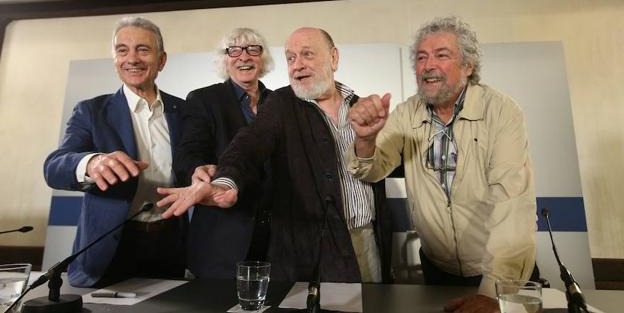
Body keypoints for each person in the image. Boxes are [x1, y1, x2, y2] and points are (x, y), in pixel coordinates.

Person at [158, 27, 392, 283]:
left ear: (334, 58)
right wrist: (224, 181)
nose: (297, 65)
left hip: (368, 239)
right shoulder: (282, 104)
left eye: (307, 54)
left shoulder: (361, 107)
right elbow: (247, 146)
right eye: (291, 58)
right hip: (314, 246)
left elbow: (378, 168)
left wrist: (368, 138)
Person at [347, 16, 536, 313]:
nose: (428, 65)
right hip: (438, 269)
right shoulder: (406, 112)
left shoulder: (501, 111)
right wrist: (366, 139)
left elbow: (511, 204)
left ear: (468, 66)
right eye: (421, 57)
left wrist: (494, 291)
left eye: (441, 55)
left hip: (495, 272)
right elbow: (372, 170)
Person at [44, 17, 186, 287]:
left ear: (162, 60)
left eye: (143, 50)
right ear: (115, 60)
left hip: (172, 246)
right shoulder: (91, 111)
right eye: (122, 50)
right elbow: (54, 167)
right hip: (110, 249)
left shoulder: (186, 111)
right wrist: (92, 162)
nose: (132, 58)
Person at [173, 28, 274, 279]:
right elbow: (187, 153)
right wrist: (197, 169)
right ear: (225, 59)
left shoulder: (279, 103)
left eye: (253, 49)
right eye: (234, 50)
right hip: (222, 238)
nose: (244, 57)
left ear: (262, 58)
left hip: (275, 239)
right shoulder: (204, 99)